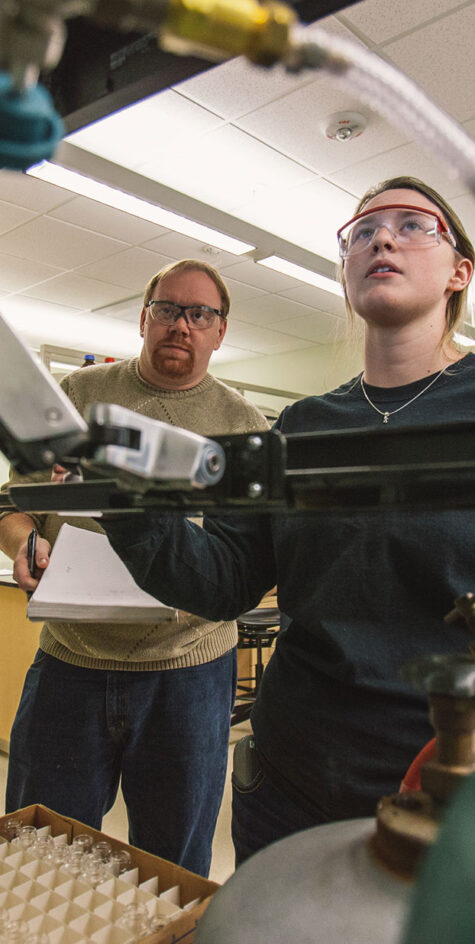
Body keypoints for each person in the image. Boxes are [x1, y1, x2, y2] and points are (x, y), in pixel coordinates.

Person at [98, 177, 475, 865]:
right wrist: (131, 507)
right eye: (360, 233)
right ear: (346, 272)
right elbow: (226, 581)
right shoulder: (301, 427)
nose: (380, 238)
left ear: (459, 272)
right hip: (289, 779)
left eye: (411, 225)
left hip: (444, 788)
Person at [0, 258, 268, 876]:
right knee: (39, 856)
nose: (183, 324)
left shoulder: (242, 427)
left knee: (170, 865)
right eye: (169, 309)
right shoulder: (79, 396)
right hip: (71, 661)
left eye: (200, 314)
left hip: (190, 673)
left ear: (219, 331)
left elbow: (242, 558)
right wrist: (22, 543)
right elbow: (19, 500)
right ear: (144, 317)